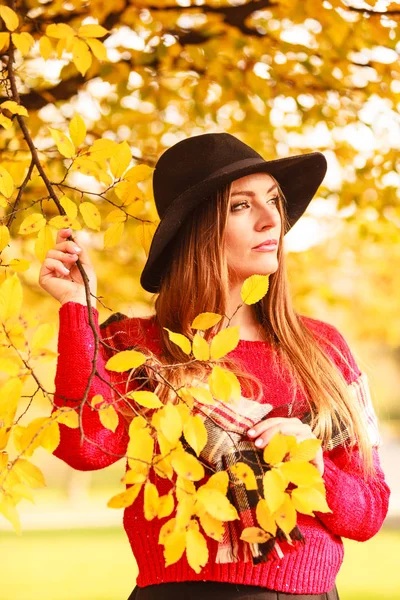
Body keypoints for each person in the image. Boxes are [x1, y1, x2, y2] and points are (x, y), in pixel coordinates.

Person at [39, 132, 390, 600]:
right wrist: (76, 309)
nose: (271, 220)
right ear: (197, 230)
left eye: (273, 201)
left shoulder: (323, 350)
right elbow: (84, 447)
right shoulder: (137, 345)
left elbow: (368, 513)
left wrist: (312, 463)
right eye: (241, 206)